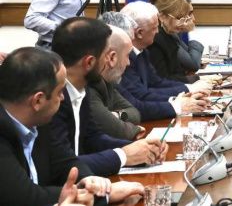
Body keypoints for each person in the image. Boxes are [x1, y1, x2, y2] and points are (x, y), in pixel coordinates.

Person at [0, 47, 144, 206]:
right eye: (59, 92)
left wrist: (89, 180)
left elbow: (65, 162)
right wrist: (100, 196)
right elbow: (25, 198)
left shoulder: (38, 122)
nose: (63, 98)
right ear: (38, 101)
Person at [50, 17, 167, 177]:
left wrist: (141, 148)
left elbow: (92, 138)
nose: (111, 62)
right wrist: (124, 156)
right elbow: (60, 166)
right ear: (89, 62)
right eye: (107, 55)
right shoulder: (53, 100)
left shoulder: (81, 87)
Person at [116, 2, 210, 121]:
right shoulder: (123, 58)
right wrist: (178, 104)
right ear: (139, 33)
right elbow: (140, 96)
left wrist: (184, 93)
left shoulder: (142, 51)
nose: (157, 32)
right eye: (154, 28)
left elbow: (156, 83)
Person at [87, 24, 143, 140]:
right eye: (127, 56)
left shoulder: (106, 82)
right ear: (112, 57)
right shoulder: (87, 88)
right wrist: (135, 129)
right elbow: (121, 131)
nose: (128, 63)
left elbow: (135, 113)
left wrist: (116, 115)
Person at [147, 0, 203, 82]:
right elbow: (163, 79)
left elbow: (177, 72)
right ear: (162, 17)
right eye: (179, 18)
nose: (183, 23)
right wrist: (198, 79)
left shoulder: (169, 34)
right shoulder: (155, 39)